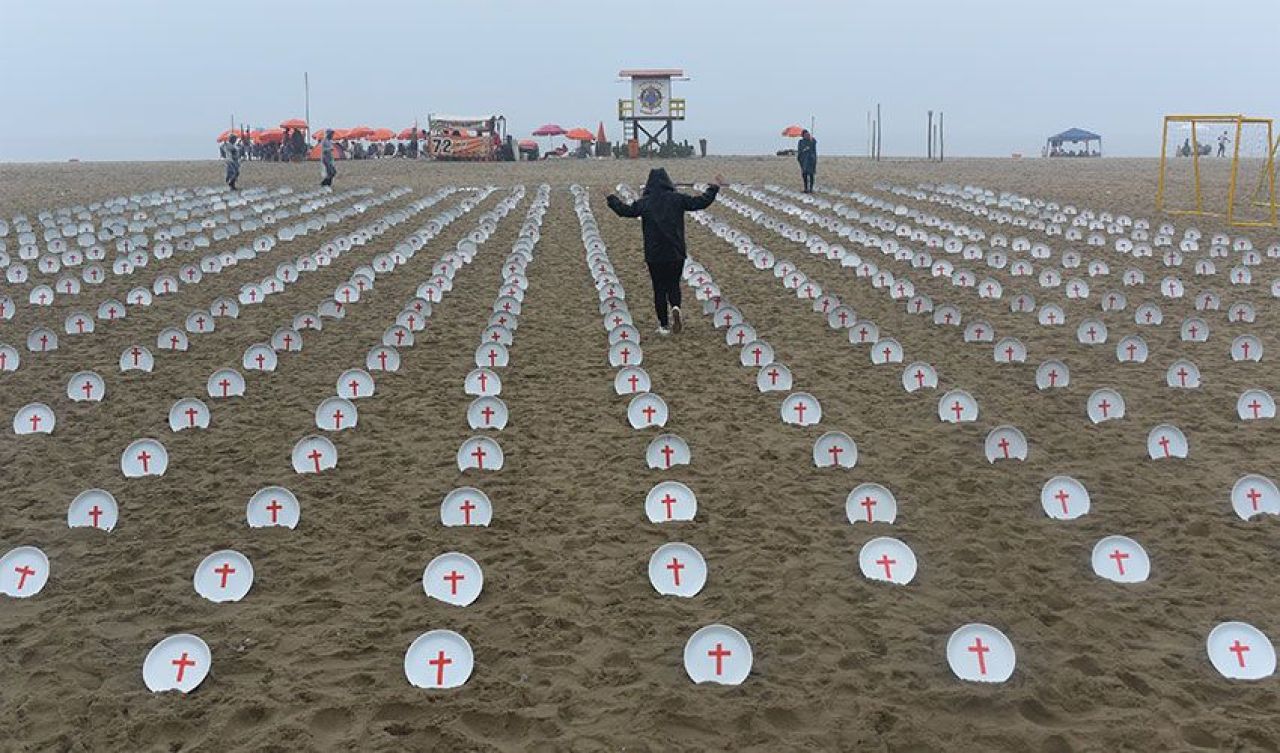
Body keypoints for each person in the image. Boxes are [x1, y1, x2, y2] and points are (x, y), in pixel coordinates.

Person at [605, 168, 724, 336]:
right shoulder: (678, 199)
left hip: (654, 253)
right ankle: (675, 306)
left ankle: (663, 325)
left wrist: (611, 197)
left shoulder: (645, 202)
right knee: (674, 284)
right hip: (676, 251)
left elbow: (625, 211)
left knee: (659, 288)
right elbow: (701, 202)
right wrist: (714, 187)